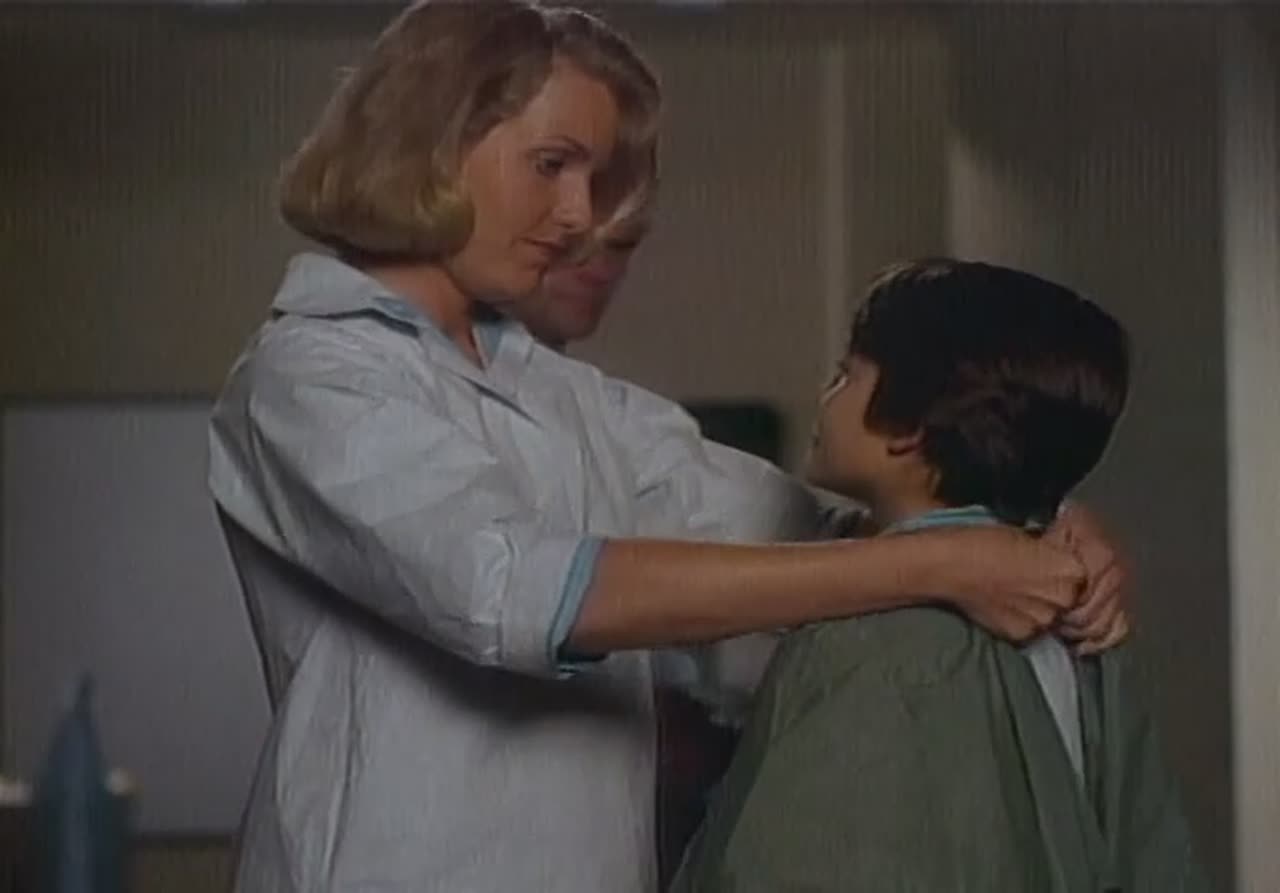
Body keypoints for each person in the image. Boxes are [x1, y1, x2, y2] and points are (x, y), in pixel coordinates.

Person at [208, 3, 1127, 890]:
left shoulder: (562, 395)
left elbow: (810, 528)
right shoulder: (311, 375)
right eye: (552, 165)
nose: (579, 216)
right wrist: (939, 563)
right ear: (433, 143)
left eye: (593, 178)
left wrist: (1033, 523)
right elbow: (519, 591)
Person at [672, 260, 1207, 893]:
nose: (827, 390)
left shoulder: (867, 641)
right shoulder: (1086, 634)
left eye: (846, 374)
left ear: (906, 428)